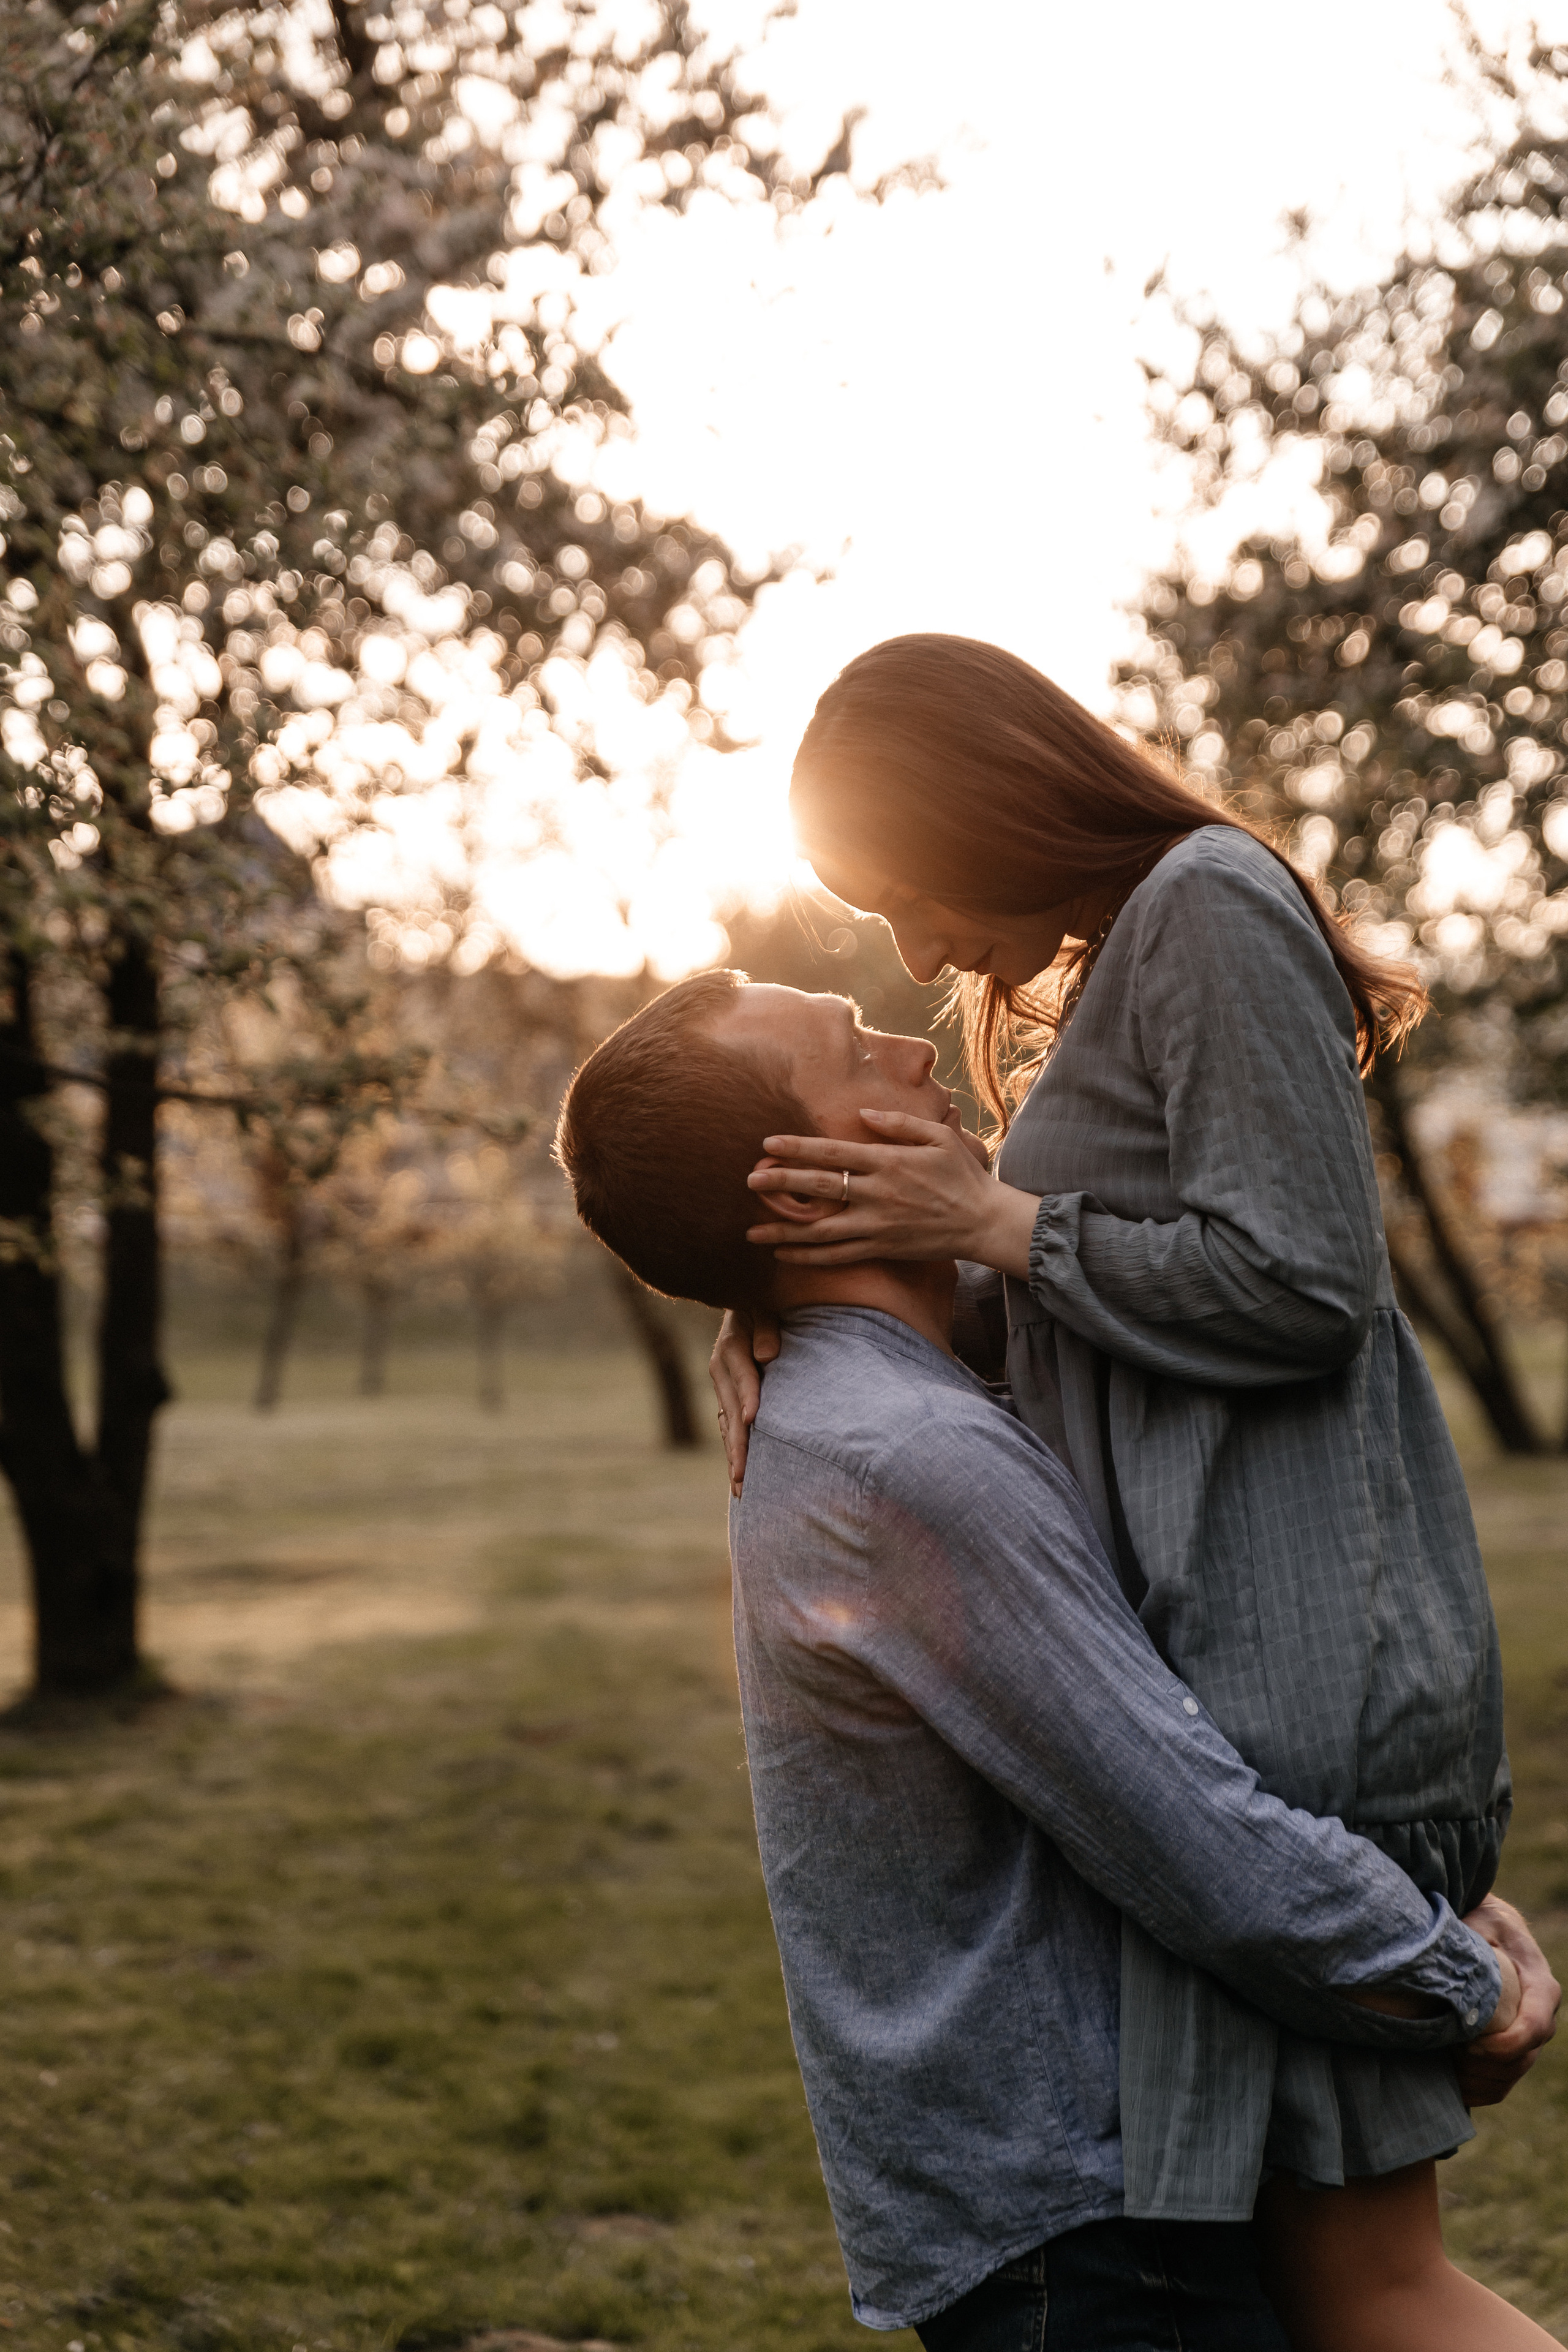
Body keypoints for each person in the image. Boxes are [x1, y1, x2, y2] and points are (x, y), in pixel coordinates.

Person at [710, 634, 1554, 2346]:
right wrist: (786, 1294)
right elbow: (1114, 1321)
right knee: (1335, 2290)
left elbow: (1304, 1287)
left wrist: (989, 1225)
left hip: (1300, 1671)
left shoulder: (1209, 900)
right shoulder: (1120, 963)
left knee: (1373, 2289)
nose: (923, 948)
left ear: (986, 803)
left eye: (907, 893)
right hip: (1225, 1669)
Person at [556, 967, 1560, 2351]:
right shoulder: (904, 1455)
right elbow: (1186, 1829)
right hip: (1081, 2242)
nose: (911, 1050)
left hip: (1086, 2201)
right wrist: (1462, 1980)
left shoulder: (881, 1397)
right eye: (853, 1051)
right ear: (800, 1191)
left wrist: (754, 1289)